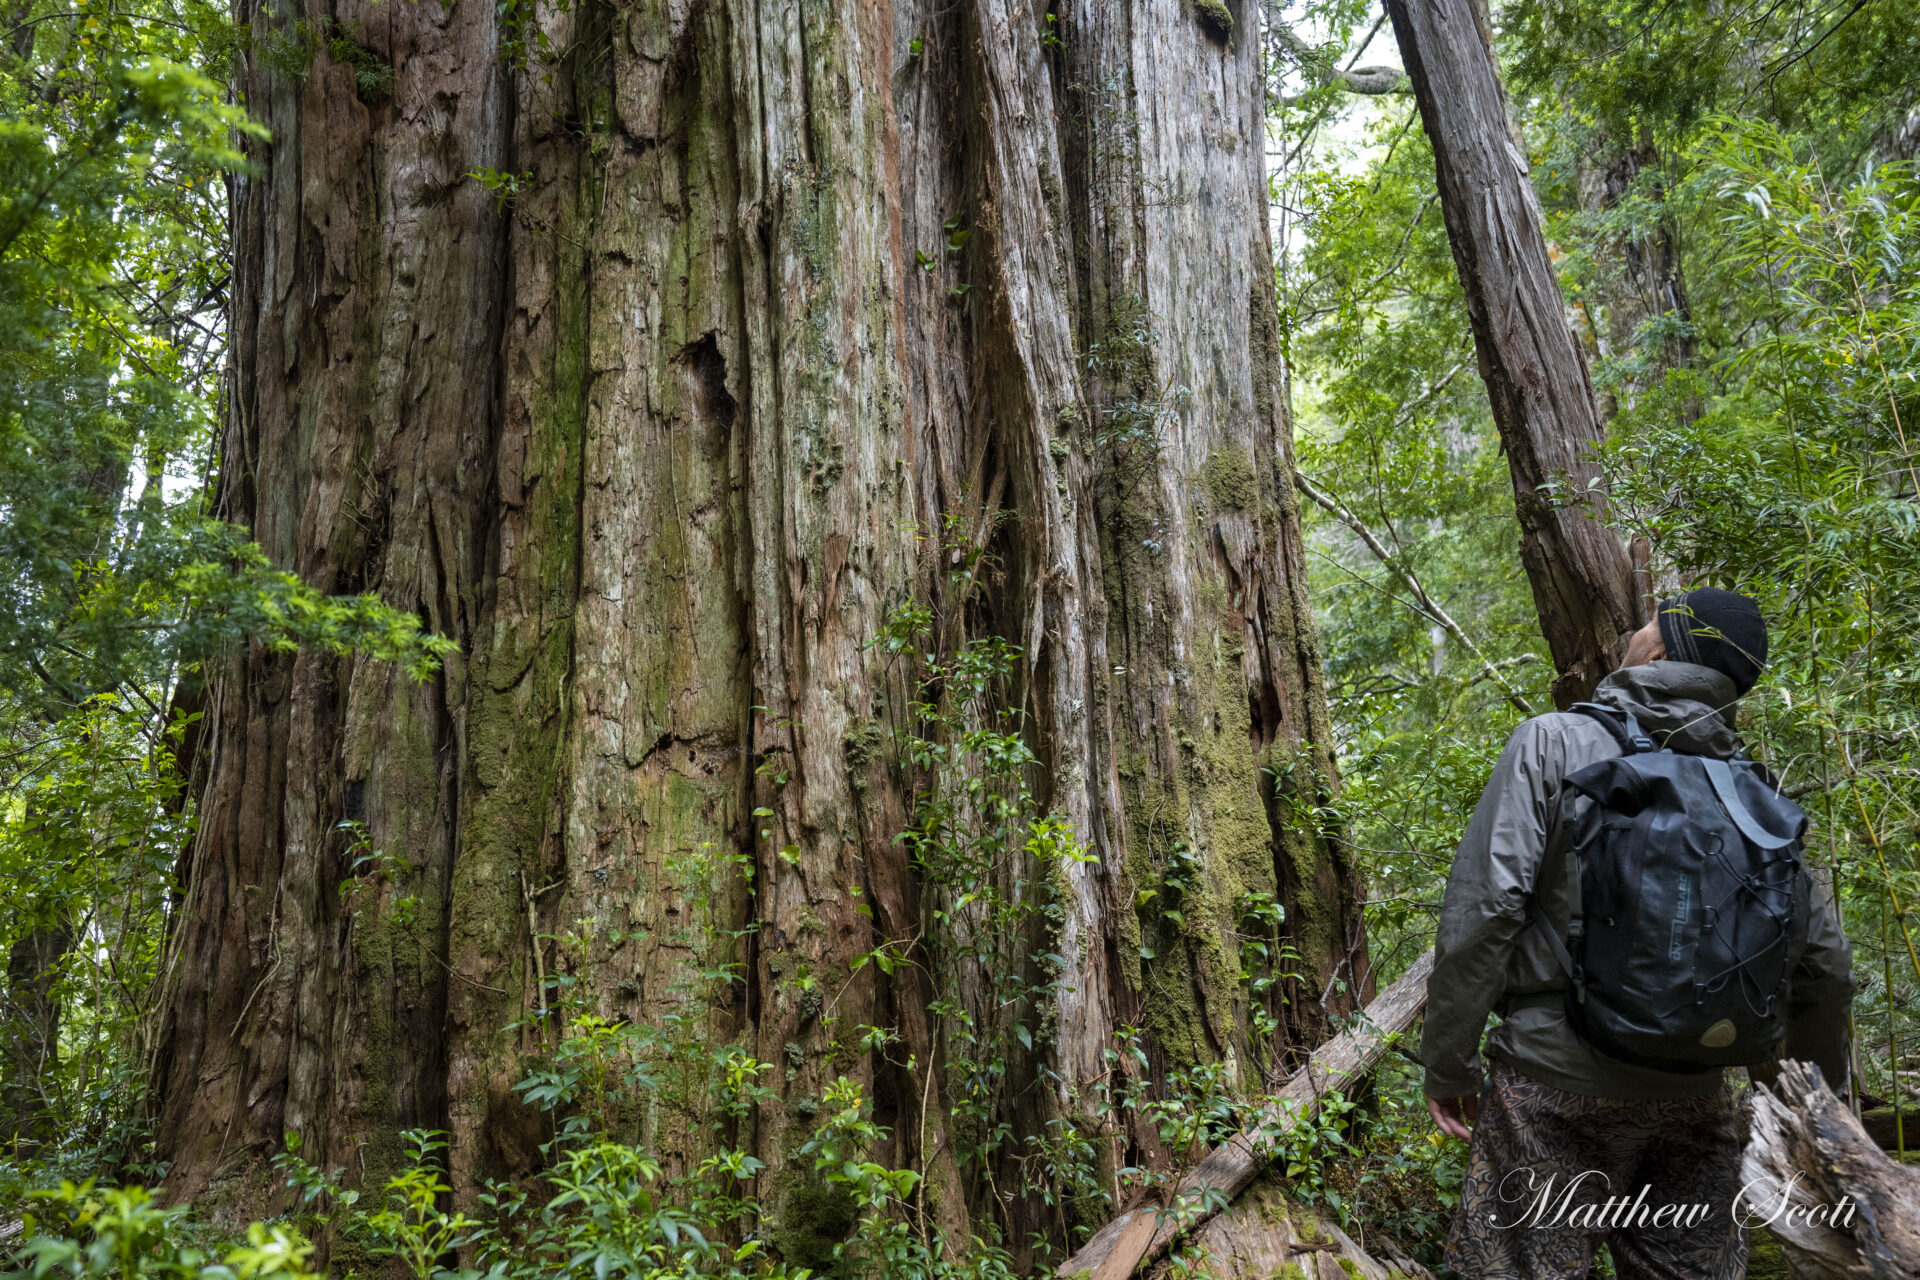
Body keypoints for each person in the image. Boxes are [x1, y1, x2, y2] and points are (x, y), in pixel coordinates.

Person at [1421, 587, 1854, 1280]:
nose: (1633, 628)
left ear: (1658, 650)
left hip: (1552, 1087)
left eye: (1647, 622)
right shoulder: (1758, 795)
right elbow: (1825, 968)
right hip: (1698, 1094)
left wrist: (1449, 1061)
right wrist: (1806, 1106)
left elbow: (1488, 907)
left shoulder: (1554, 742)